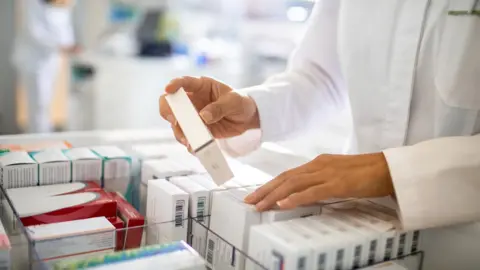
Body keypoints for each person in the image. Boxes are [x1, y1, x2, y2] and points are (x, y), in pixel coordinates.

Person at [160, 0, 480, 234]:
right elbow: (321, 76)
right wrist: (252, 109)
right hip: (354, 217)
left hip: (463, 235)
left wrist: (393, 171)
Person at [12, 0, 79, 133]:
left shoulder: (62, 7)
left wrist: (69, 45)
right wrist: (61, 45)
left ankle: (44, 135)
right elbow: (35, 32)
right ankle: (36, 136)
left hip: (51, 60)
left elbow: (66, 30)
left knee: (46, 102)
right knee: (38, 103)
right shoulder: (32, 5)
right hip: (34, 61)